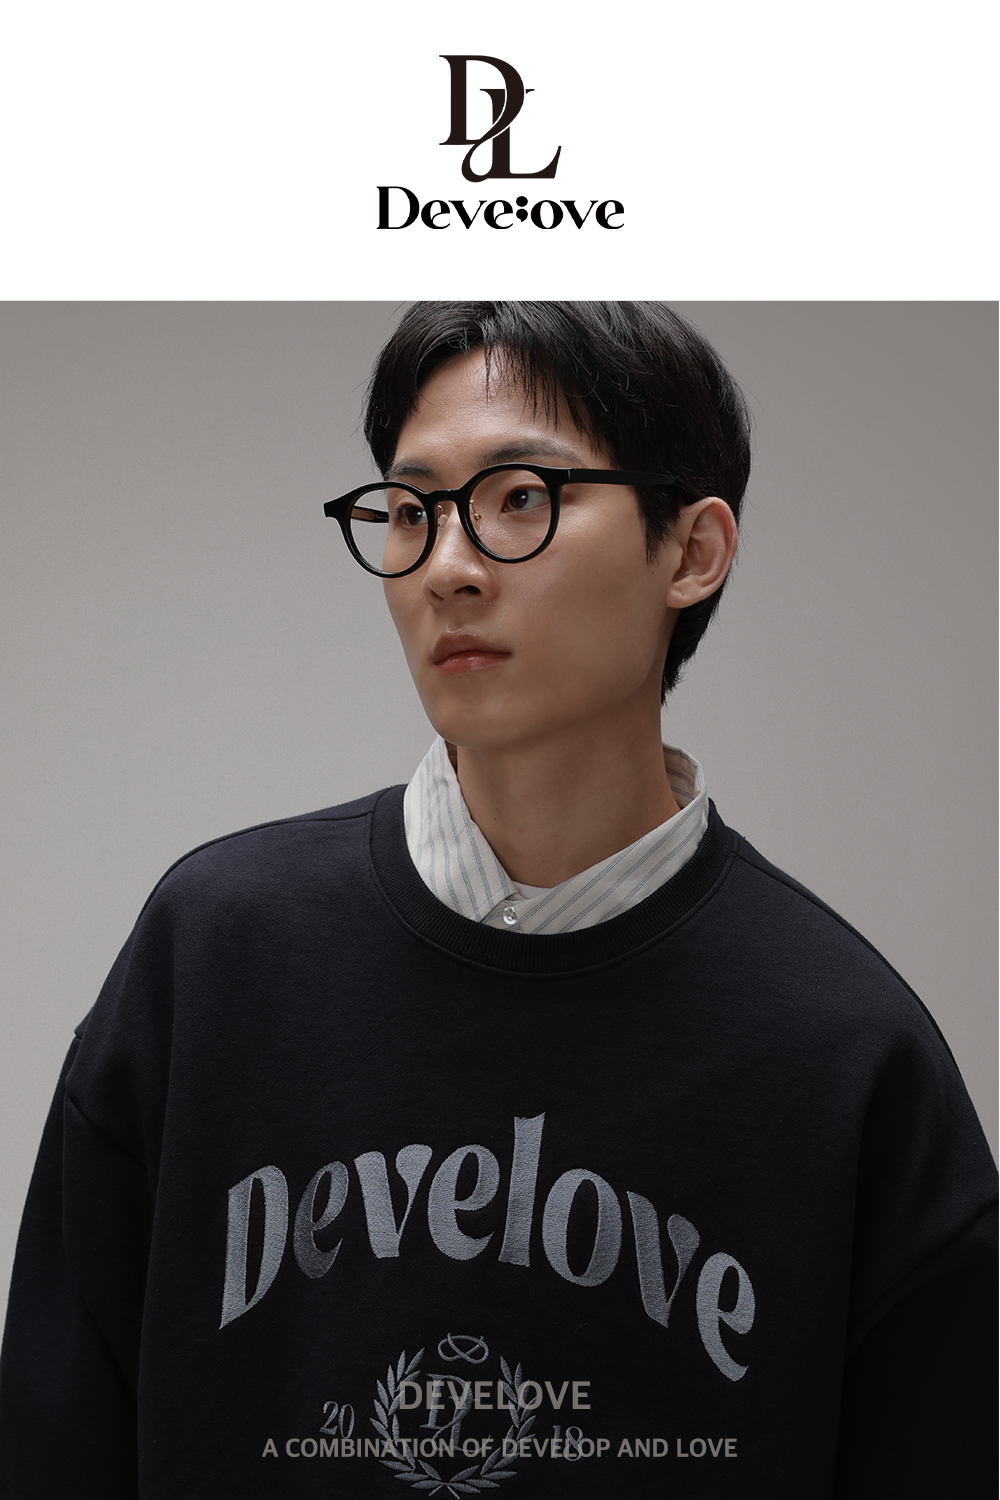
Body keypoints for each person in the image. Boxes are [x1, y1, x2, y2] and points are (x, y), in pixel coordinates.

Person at [0, 301, 994, 1498]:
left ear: (691, 551)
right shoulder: (212, 956)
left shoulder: (847, 1054)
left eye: (521, 497)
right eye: (410, 510)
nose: (449, 567)